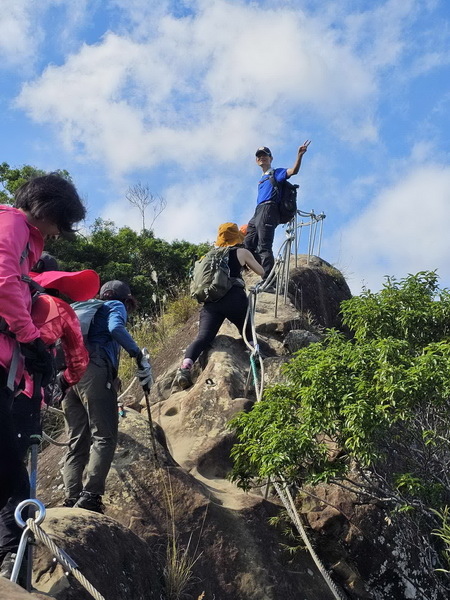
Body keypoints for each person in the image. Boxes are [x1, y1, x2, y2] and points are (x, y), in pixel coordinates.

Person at [0, 256, 99, 580]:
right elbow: (78, 361)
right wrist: (60, 385)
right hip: (26, 398)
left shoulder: (9, 292)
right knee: (16, 477)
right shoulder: (60, 308)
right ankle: (14, 558)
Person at [0, 173, 85, 510]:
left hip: (13, 377)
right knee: (15, 486)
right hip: (19, 382)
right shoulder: (14, 224)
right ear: (49, 210)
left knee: (11, 482)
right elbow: (4, 282)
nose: (57, 234)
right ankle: (13, 559)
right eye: (60, 225)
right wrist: (33, 342)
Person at [61, 280, 152, 513]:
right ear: (127, 299)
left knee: (77, 441)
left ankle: (72, 496)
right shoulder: (115, 306)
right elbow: (115, 329)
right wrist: (137, 355)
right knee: (104, 435)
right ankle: (91, 496)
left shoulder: (83, 307)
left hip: (68, 376)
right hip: (94, 370)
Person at [176, 223, 264, 390]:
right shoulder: (241, 252)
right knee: (247, 331)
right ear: (236, 237)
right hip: (234, 299)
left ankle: (185, 368)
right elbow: (261, 271)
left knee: (203, 338)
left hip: (211, 302)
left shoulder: (208, 256)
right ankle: (257, 363)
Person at [244, 142, 311, 289]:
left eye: (265, 156)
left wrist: (299, 155)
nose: (262, 158)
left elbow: (293, 171)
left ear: (271, 158)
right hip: (258, 211)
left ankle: (270, 280)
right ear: (257, 161)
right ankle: (261, 271)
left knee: (264, 245)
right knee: (247, 245)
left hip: (269, 209)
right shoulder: (262, 178)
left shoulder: (276, 172)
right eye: (259, 156)